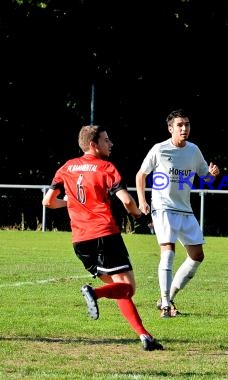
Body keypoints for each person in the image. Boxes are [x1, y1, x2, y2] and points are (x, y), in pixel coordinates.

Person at [42, 125, 164, 351]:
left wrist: (71, 202)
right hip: (105, 235)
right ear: (93, 145)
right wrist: (140, 217)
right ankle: (93, 292)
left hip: (80, 241)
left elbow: (48, 202)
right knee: (127, 288)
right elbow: (127, 201)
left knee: (118, 289)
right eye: (106, 140)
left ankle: (144, 336)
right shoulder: (106, 167)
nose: (111, 144)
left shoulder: (67, 167)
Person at [135, 108, 220, 318]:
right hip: (162, 208)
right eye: (180, 125)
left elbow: (205, 179)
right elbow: (141, 175)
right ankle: (165, 305)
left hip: (184, 209)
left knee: (197, 255)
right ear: (170, 128)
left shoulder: (193, 150)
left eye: (187, 125)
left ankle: (168, 297)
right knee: (169, 251)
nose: (184, 128)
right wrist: (143, 201)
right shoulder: (160, 149)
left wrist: (212, 175)